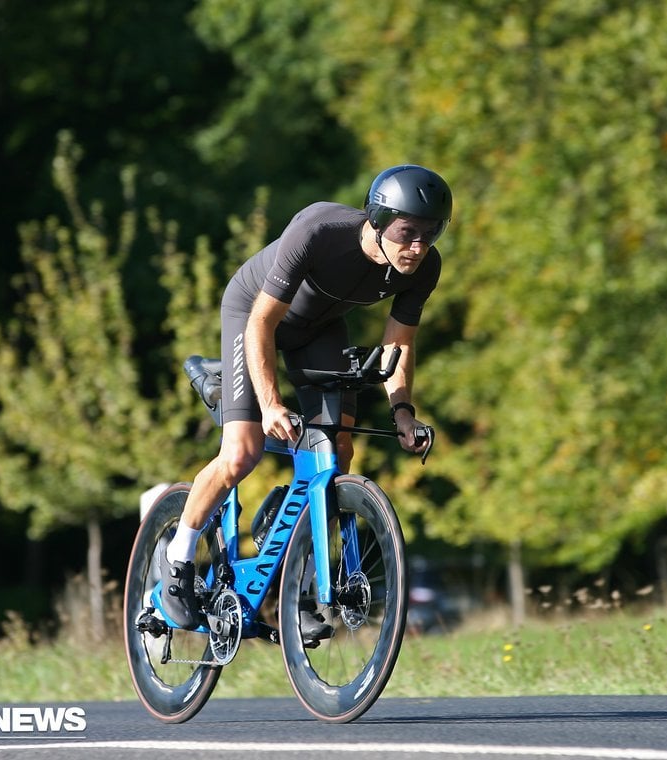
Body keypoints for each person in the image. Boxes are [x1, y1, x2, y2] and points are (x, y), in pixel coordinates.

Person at [160, 164, 453, 631]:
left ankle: (302, 587)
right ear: (378, 221)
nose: (418, 246)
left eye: (431, 232)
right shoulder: (319, 232)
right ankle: (177, 564)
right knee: (243, 452)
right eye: (407, 232)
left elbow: (399, 345)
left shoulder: (424, 267)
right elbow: (261, 324)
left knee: (336, 452)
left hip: (319, 329)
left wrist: (402, 410)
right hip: (254, 313)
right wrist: (272, 402)